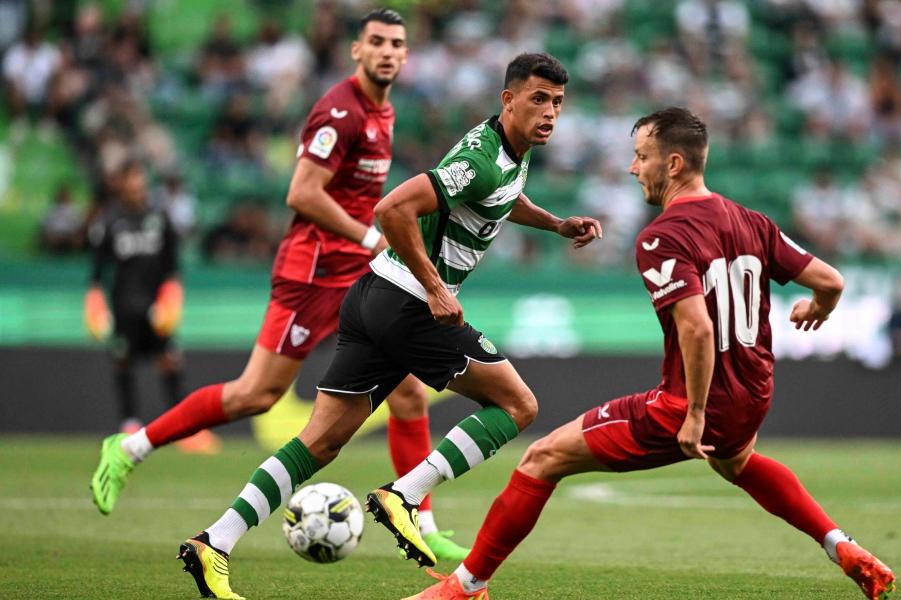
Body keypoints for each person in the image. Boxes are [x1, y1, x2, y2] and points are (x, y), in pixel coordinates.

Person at [405, 107, 896, 600]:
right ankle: (840, 543)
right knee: (737, 460)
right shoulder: (753, 222)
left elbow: (698, 331)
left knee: (541, 458)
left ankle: (465, 587)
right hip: (753, 395)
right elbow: (831, 281)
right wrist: (819, 307)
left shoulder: (662, 237)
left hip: (690, 405)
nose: (633, 168)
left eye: (642, 156)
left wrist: (696, 415)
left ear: (675, 164)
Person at [175, 52, 601, 600]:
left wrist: (555, 224)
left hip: (372, 296)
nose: (550, 113)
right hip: (408, 303)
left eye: (558, 103)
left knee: (321, 442)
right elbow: (392, 210)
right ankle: (405, 494)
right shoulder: (482, 157)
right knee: (518, 406)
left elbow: (500, 198)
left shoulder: (509, 154)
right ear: (508, 99)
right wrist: (435, 286)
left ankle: (216, 541)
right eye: (539, 99)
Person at [91, 7, 468, 563]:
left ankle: (421, 519)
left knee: (410, 390)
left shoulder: (382, 112)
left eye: (397, 43)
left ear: (406, 55)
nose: (388, 51)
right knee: (256, 395)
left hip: (359, 274)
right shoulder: (339, 111)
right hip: (312, 273)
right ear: (356, 51)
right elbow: (302, 193)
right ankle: (130, 447)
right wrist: (368, 237)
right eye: (377, 42)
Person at [85, 160, 185, 435]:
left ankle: (184, 427)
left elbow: (172, 269)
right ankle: (129, 422)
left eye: (141, 178)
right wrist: (95, 304)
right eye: (132, 179)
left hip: (155, 309)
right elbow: (96, 273)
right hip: (123, 308)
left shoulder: (160, 218)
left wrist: (171, 300)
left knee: (170, 359)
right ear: (121, 183)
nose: (138, 185)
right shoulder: (108, 221)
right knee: (122, 360)